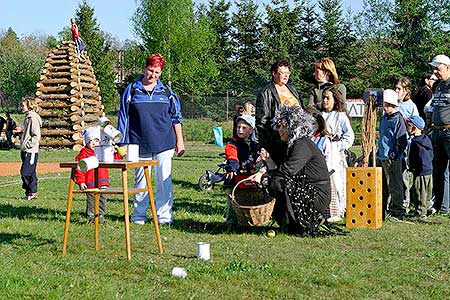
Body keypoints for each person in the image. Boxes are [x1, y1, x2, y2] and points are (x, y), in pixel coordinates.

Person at [118, 53, 185, 225]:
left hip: (164, 143)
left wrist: (180, 141)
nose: (152, 75)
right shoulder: (132, 90)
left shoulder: (167, 92)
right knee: (140, 181)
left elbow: (176, 118)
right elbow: (123, 118)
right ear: (144, 68)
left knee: (164, 181)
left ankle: (164, 216)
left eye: (156, 72)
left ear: (161, 73)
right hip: (138, 144)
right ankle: (139, 216)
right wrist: (121, 143)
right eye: (150, 70)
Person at [253, 105, 331, 236]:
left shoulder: (302, 144)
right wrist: (269, 164)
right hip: (307, 188)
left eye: (284, 126)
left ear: (294, 126)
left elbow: (287, 171)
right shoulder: (293, 144)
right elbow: (283, 170)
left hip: (316, 194)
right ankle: (291, 223)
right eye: (279, 126)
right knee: (277, 181)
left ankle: (301, 222)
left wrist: (265, 175)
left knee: (278, 182)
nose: (280, 130)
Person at [256, 59, 303, 166]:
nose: (286, 76)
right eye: (282, 73)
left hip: (297, 137)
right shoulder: (266, 92)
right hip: (278, 139)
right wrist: (265, 145)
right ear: (274, 73)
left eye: (288, 73)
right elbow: (262, 121)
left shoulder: (292, 89)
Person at [320, 86, 354, 221]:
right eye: (323, 97)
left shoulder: (340, 116)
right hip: (321, 154)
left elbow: (349, 136)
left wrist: (337, 146)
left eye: (328, 98)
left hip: (336, 157)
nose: (324, 100)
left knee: (337, 183)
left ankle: (338, 211)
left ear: (335, 100)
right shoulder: (320, 115)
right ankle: (324, 210)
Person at [376, 89, 408, 221]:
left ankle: (398, 211)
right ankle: (385, 208)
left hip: (393, 158)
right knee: (385, 185)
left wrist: (395, 154)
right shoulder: (384, 118)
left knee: (395, 185)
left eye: (388, 105)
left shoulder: (398, 119)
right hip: (382, 156)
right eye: (384, 104)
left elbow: (402, 140)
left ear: (394, 105)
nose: (385, 107)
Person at [224, 115, 259, 224]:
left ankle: (252, 220)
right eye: (238, 127)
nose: (240, 130)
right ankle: (231, 222)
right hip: (236, 178)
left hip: (251, 177)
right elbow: (232, 156)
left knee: (252, 200)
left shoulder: (256, 144)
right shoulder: (233, 144)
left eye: (244, 127)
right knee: (233, 199)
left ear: (251, 129)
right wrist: (232, 167)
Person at [429, 54, 450, 214]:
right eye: (434, 68)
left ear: (447, 67)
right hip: (436, 131)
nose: (435, 71)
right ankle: (437, 204)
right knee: (437, 170)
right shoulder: (438, 85)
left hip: (448, 131)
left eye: (438, 68)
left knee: (447, 172)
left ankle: (445, 207)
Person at [395, 76, 419, 213]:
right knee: (393, 175)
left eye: (399, 89)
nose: (396, 91)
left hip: (405, 144)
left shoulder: (411, 106)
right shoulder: (392, 104)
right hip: (391, 144)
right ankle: (393, 201)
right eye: (395, 88)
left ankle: (405, 203)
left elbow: (416, 124)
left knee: (404, 174)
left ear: (406, 91)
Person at [74, 127, 108, 224]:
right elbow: (79, 169)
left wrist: (119, 152)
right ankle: (91, 216)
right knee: (92, 200)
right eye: (90, 140)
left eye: (96, 140)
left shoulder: (103, 152)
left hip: (102, 181)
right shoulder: (84, 153)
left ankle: (100, 216)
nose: (93, 143)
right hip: (90, 182)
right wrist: (81, 181)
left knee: (102, 199)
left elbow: (114, 158)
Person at [406, 116, 433, 218]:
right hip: (428, 170)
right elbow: (431, 155)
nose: (407, 128)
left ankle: (421, 212)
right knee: (427, 191)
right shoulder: (426, 139)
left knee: (419, 191)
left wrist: (413, 167)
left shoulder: (416, 143)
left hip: (420, 171)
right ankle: (428, 207)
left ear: (414, 128)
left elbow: (418, 157)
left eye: (408, 126)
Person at [17, 97, 42, 201]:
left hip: (31, 151)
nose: (21, 107)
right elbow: (28, 132)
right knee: (31, 173)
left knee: (25, 173)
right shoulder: (27, 117)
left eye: (23, 105)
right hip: (25, 150)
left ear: (29, 105)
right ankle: (30, 193)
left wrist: (28, 145)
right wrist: (21, 130)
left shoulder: (33, 118)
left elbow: (36, 135)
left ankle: (32, 191)